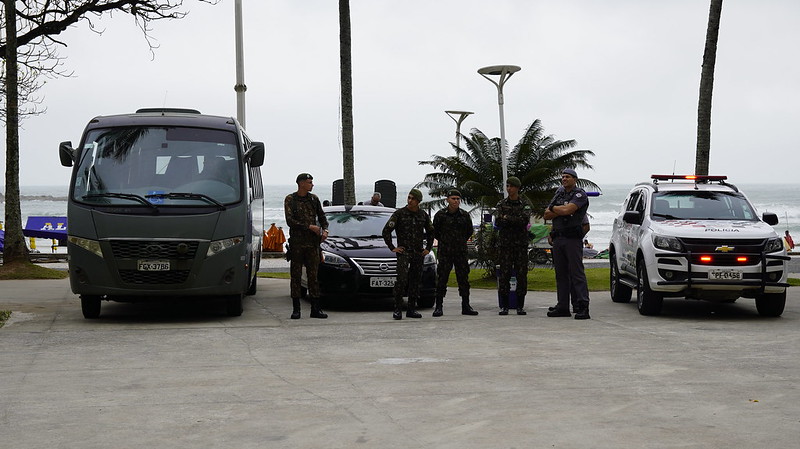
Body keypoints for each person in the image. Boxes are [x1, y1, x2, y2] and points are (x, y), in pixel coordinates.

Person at [544, 168, 591, 320]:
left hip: (572, 239)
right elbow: (547, 214)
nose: (564, 179)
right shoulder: (559, 193)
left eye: (568, 177)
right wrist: (559, 210)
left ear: (575, 179)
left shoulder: (579, 194)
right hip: (558, 238)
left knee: (576, 273)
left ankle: (582, 306)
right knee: (561, 274)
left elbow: (568, 210)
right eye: (563, 177)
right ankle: (562, 306)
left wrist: (555, 209)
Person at [382, 188, 434, 320]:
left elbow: (431, 232)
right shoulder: (399, 213)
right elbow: (386, 230)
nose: (410, 200)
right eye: (409, 197)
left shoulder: (423, 215)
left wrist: (428, 248)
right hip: (404, 252)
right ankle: (397, 309)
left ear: (418, 201)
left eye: (413, 199)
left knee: (415, 281)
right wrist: (392, 247)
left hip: (417, 252)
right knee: (402, 279)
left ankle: (411, 309)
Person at [284, 173, 329, 320]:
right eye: (309, 182)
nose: (312, 185)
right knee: (296, 276)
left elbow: (322, 217)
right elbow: (290, 221)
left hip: (312, 244)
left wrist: (325, 229)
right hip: (297, 244)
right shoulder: (291, 199)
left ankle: (315, 309)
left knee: (313, 277)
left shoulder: (314, 199)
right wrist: (309, 227)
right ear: (301, 183)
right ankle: (296, 309)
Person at [432, 189, 478, 317]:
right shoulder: (440, 215)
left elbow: (469, 231)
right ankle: (439, 306)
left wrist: (459, 240)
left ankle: (466, 305)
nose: (456, 201)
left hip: (460, 252)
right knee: (442, 279)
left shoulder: (464, 215)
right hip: (445, 252)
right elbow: (435, 232)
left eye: (458, 199)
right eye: (453, 199)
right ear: (447, 200)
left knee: (463, 279)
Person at [494, 176, 533, 315]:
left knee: (521, 274)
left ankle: (520, 305)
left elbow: (524, 221)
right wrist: (511, 220)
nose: (509, 188)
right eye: (507, 186)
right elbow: (498, 221)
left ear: (517, 188)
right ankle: (504, 306)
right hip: (505, 245)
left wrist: (507, 218)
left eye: (511, 186)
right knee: (504, 274)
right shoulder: (501, 204)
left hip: (520, 246)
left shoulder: (525, 204)